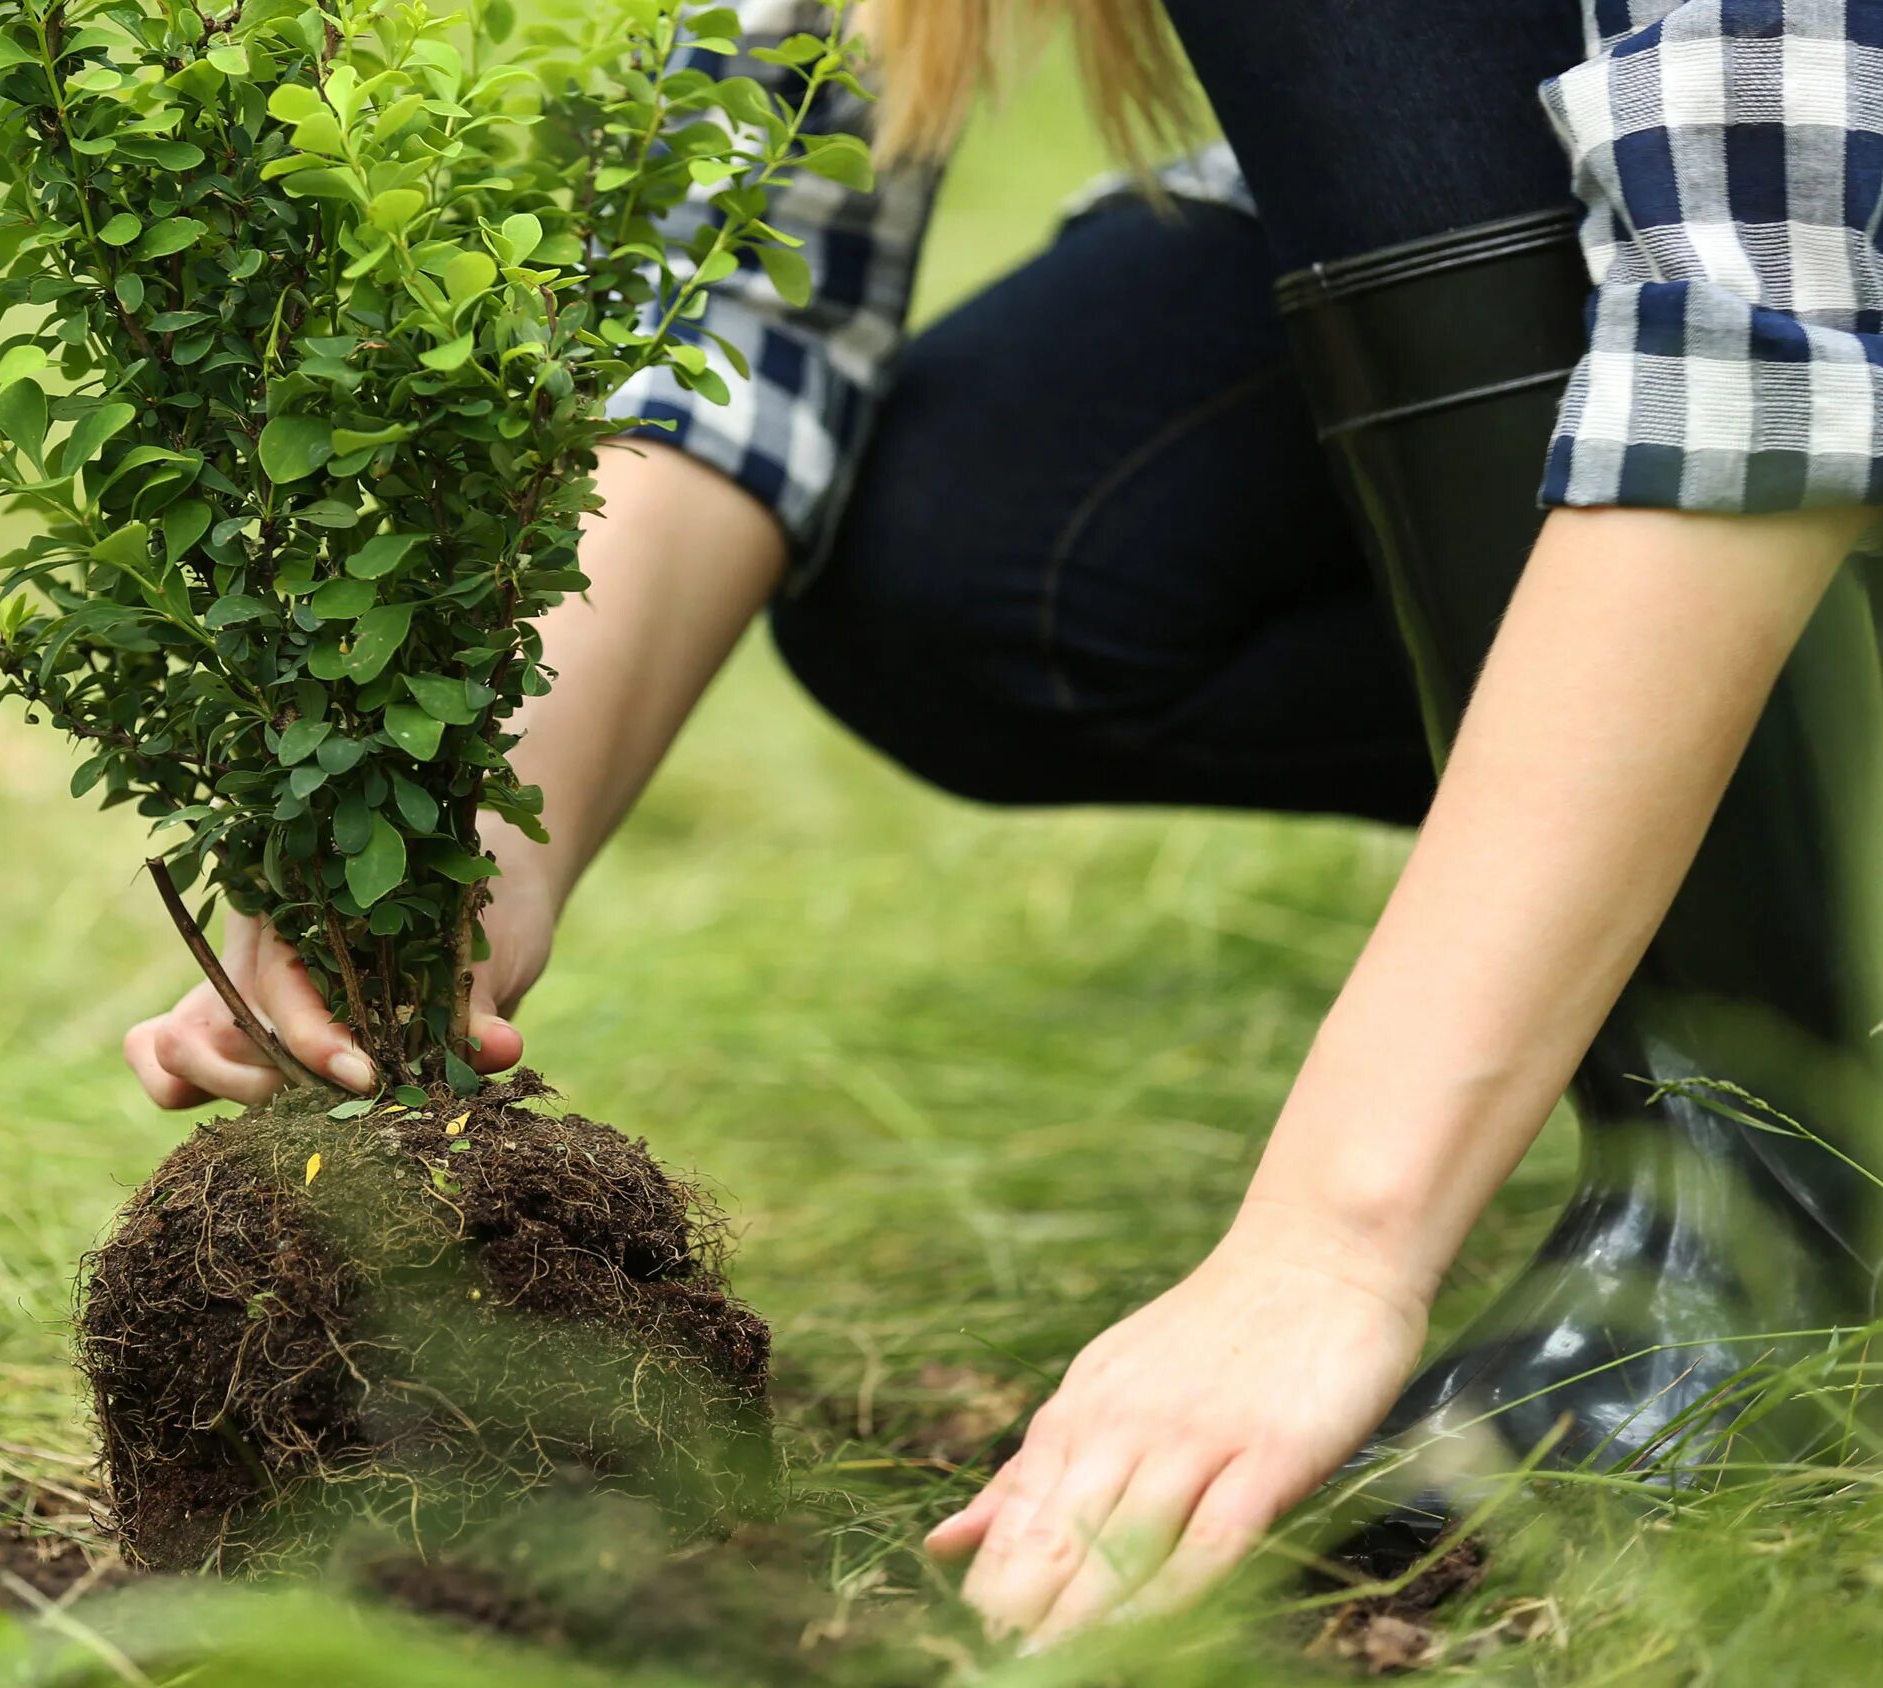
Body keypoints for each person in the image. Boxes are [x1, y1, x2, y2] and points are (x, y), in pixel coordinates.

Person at [122, 0, 1883, 1645]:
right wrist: (479, 830)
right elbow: (734, 281)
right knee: (987, 553)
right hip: (1704, 246)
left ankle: (1757, 1176)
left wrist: (1326, 1249)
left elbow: (1759, 330)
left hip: (1796, 228)